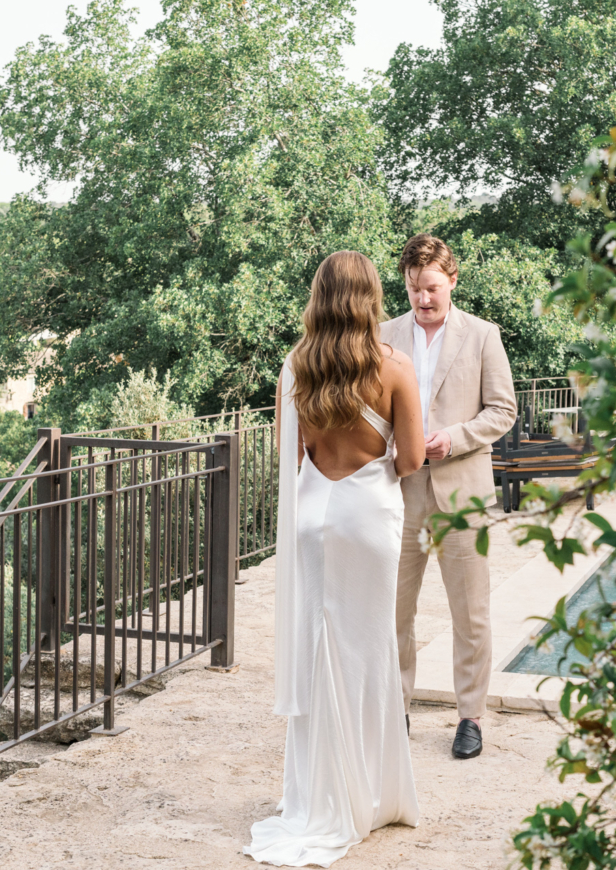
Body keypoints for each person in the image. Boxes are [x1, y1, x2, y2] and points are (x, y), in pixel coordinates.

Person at [246, 251, 425, 868]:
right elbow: (410, 460)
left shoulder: (296, 366)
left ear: (318, 297)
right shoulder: (395, 368)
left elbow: (287, 454)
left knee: (317, 648)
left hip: (314, 515)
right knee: (368, 652)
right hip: (368, 517)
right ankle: (368, 794)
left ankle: (318, 794)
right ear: (372, 298)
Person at [382, 234, 516, 761]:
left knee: (471, 613)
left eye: (432, 288)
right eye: (414, 289)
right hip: (398, 493)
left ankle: (470, 717)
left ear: (452, 280)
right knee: (392, 611)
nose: (423, 299)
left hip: (464, 494)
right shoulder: (382, 335)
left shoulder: (484, 335)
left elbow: (501, 411)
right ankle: (395, 708)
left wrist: (454, 438)